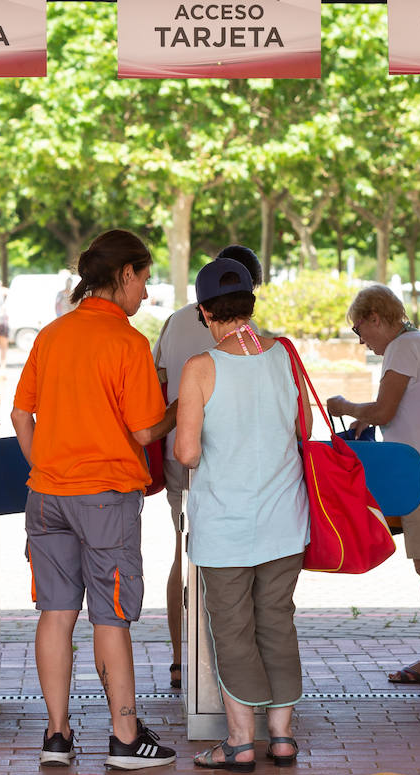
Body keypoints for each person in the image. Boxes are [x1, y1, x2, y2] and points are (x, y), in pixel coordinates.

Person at [10, 229, 178, 771]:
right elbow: (149, 431)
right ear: (124, 274)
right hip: (106, 498)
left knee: (56, 613)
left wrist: (43, 468)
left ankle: (57, 736)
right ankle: (125, 737)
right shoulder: (127, 343)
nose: (145, 295)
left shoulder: (52, 335)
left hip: (46, 496)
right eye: (144, 280)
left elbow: (20, 413)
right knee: (111, 616)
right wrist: (183, 402)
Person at [175, 257, 311, 772]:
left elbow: (187, 453)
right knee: (277, 622)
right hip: (284, 521)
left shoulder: (201, 368)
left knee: (232, 629)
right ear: (250, 305)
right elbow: (305, 434)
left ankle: (239, 742)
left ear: (206, 312)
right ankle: (281, 737)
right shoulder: (287, 357)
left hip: (225, 527)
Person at [326, 285, 420, 686]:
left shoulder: (402, 347)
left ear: (376, 318)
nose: (362, 340)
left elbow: (384, 410)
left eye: (359, 329)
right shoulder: (418, 342)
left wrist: (346, 407)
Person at [152, 244, 264, 690]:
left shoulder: (177, 320)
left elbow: (158, 384)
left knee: (183, 552)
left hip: (180, 455)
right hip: (238, 469)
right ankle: (225, 659)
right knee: (237, 563)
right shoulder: (259, 339)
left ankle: (182, 659)